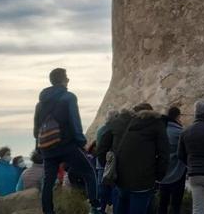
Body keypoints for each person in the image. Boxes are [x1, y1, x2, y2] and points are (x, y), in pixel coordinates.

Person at [34, 68, 101, 214]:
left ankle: (48, 211)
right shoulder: (68, 97)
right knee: (89, 172)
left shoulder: (40, 103)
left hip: (47, 147)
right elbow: (74, 121)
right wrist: (81, 141)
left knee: (48, 181)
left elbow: (37, 128)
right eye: (67, 77)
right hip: (67, 146)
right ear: (63, 80)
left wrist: (39, 148)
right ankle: (95, 204)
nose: (68, 80)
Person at [113, 103, 168, 214]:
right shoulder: (157, 124)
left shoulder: (129, 124)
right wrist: (158, 177)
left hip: (122, 179)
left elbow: (118, 149)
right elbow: (164, 154)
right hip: (143, 181)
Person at [98, 108, 136, 214]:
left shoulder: (108, 128)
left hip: (113, 168)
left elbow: (101, 149)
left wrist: (106, 164)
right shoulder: (133, 127)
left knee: (115, 195)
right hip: (126, 170)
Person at [158, 106, 187, 214]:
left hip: (163, 173)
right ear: (178, 116)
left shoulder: (161, 130)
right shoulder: (181, 132)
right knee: (175, 205)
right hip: (178, 173)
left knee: (162, 203)